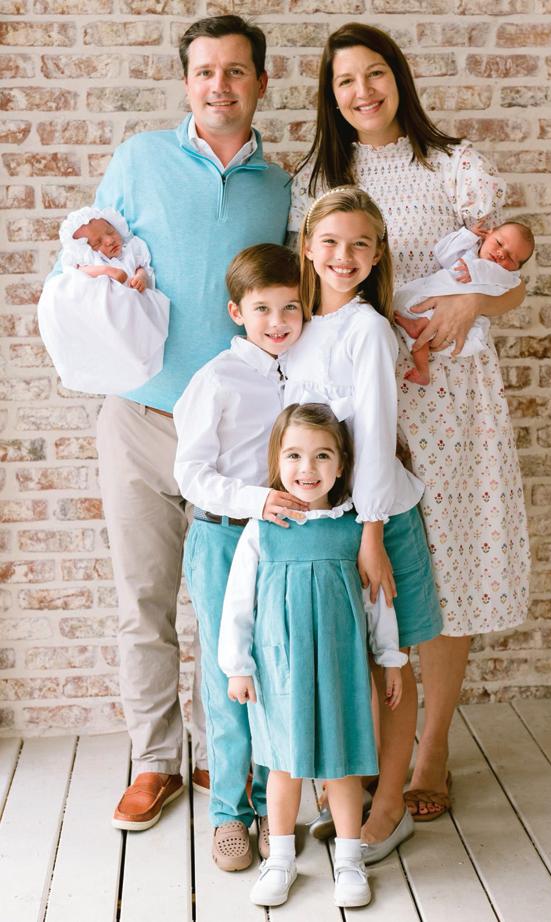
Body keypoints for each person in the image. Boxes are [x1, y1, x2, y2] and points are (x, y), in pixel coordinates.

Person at [45, 14, 292, 832]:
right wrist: (100, 266)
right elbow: (88, 252)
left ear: (260, 82)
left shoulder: (279, 187)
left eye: (235, 71)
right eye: (204, 72)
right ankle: (154, 762)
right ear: (186, 82)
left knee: (231, 606)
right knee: (143, 601)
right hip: (139, 417)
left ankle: (226, 755)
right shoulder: (139, 158)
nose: (219, 85)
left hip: (234, 433)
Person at [290, 22, 530, 827]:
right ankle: (365, 749)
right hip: (360, 393)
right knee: (374, 571)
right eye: (344, 81)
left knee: (448, 570)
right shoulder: (317, 178)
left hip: (451, 395)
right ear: (330, 96)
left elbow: (509, 277)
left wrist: (472, 303)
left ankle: (432, 750)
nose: (362, 91)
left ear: (398, 78)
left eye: (374, 73)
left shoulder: (451, 164)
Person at [285, 186, 442, 860]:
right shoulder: (295, 329)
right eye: (329, 241)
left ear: (377, 255)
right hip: (327, 523)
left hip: (378, 520)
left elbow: (375, 434)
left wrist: (371, 534)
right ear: (307, 248)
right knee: (345, 662)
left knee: (391, 663)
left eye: (359, 244)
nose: (343, 255)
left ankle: (390, 807)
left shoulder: (368, 329)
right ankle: (353, 787)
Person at [219, 403, 408, 908]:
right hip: (281, 670)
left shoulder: (353, 529)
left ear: (342, 465)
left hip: (342, 670)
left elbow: (377, 600)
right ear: (277, 461)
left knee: (342, 768)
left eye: (323, 455)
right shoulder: (263, 529)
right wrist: (238, 667)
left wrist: (390, 658)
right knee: (284, 767)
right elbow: (238, 603)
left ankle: (349, 860)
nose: (308, 468)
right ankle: (280, 860)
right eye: (295, 455)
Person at [172, 244, 306, 870]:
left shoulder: (303, 371)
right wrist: (256, 500)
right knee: (230, 674)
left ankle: (273, 807)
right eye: (263, 309)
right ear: (237, 312)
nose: (277, 322)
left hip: (284, 540)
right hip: (224, 536)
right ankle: (230, 813)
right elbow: (191, 473)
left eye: (290, 308)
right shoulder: (217, 380)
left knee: (277, 671)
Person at [38, 206, 170, 395]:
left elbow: (142, 267)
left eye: (110, 232)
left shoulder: (131, 251)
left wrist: (141, 277)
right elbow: (77, 273)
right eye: (97, 242)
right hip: (106, 311)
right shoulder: (89, 262)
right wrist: (108, 271)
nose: (109, 240)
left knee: (139, 338)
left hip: (133, 309)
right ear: (85, 250)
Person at [395, 220, 535, 384]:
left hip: (460, 317)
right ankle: (422, 370)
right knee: (414, 322)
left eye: (510, 257)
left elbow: (497, 275)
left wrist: (475, 271)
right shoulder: (469, 252)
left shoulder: (505, 276)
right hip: (434, 296)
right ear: (488, 233)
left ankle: (422, 354)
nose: (501, 253)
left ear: (516, 268)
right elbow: (443, 253)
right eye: (499, 243)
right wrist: (468, 236)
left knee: (425, 333)